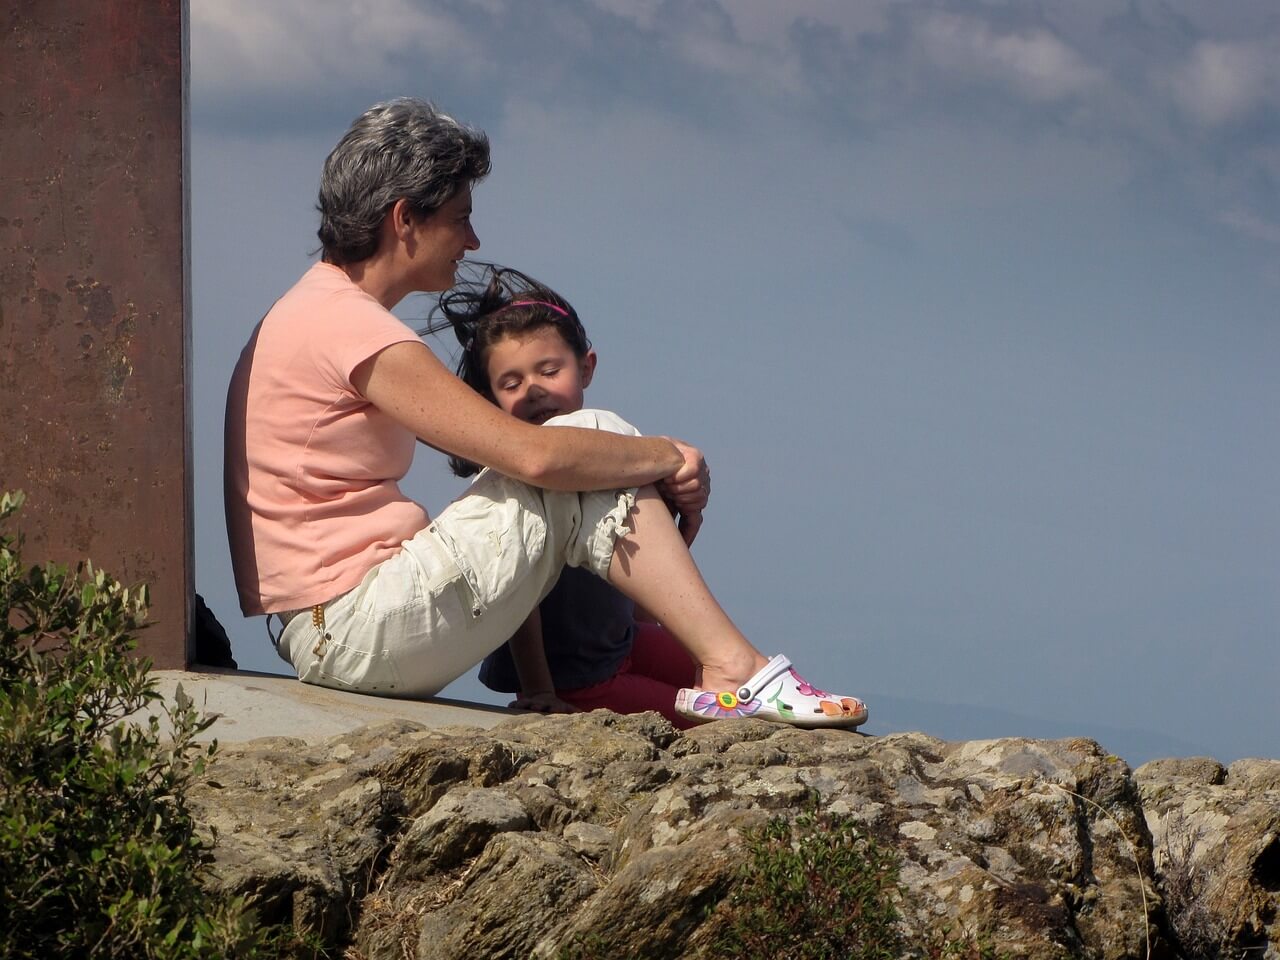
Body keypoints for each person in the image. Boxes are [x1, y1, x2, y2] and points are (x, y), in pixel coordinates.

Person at [223, 96, 868, 729]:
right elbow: (532, 454)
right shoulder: (349, 328)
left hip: (332, 626)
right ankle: (735, 669)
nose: (472, 241)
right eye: (459, 216)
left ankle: (733, 667)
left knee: (584, 449)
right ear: (405, 220)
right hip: (351, 625)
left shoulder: (315, 313)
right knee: (587, 434)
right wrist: (669, 455)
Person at [433, 266, 700, 728]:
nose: (533, 389)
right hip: (578, 681)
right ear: (491, 401)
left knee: (733, 683)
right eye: (510, 383)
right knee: (714, 723)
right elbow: (516, 597)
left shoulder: (607, 453)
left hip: (625, 642)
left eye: (549, 370)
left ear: (587, 368)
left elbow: (640, 565)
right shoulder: (512, 483)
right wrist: (539, 690)